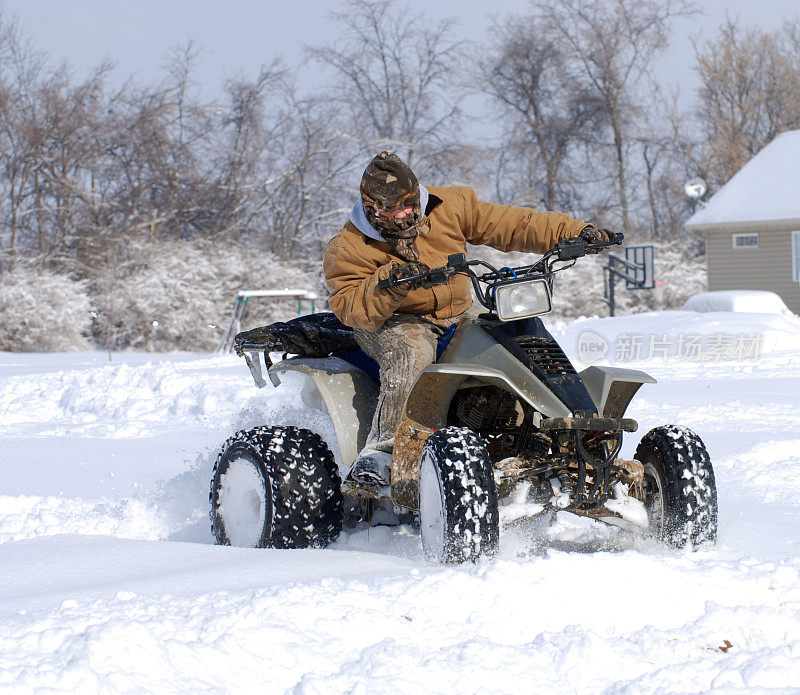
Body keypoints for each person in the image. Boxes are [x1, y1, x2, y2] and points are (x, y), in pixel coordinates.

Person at [323, 151, 613, 492]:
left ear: (417, 193)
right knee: (411, 350)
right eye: (389, 210)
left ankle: (546, 430)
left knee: (511, 335)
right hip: (393, 322)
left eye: (407, 204)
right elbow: (349, 307)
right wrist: (391, 282)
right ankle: (386, 454)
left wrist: (574, 232)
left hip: (457, 313)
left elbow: (512, 224)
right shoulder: (349, 245)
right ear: (370, 206)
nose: (401, 215)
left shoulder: (451, 205)